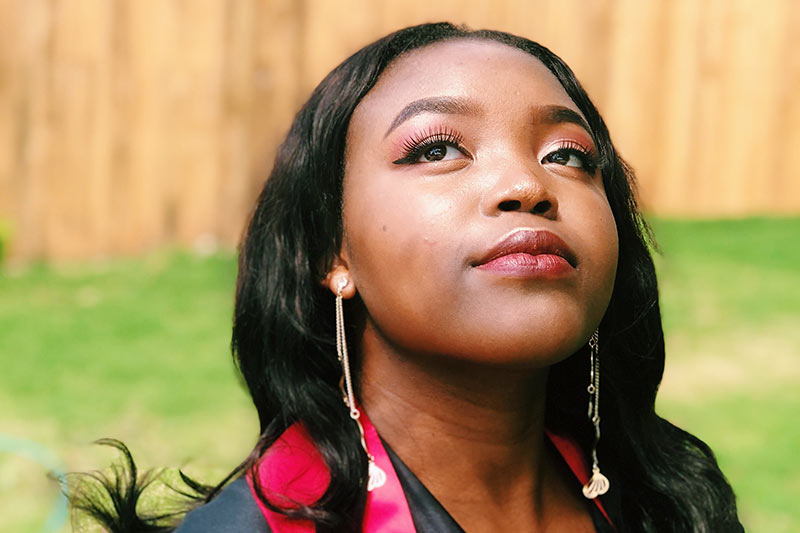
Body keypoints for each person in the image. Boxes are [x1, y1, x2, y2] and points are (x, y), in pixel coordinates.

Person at [70, 22, 743, 532]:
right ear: (333, 252)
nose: (525, 183)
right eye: (437, 148)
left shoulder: (671, 504)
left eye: (568, 154)